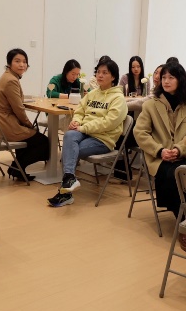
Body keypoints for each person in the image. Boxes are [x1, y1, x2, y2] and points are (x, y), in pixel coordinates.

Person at [134, 62, 186, 253]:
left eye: (171, 77)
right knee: (172, 175)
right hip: (160, 156)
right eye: (164, 77)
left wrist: (179, 150)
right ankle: (184, 224)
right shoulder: (150, 105)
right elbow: (140, 133)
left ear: (180, 80)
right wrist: (160, 151)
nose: (165, 81)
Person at [47, 59, 128, 207]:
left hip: (103, 139)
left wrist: (83, 128)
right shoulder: (92, 94)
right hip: (84, 132)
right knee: (69, 135)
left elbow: (108, 122)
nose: (100, 75)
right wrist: (76, 121)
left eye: (105, 73)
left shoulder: (118, 98)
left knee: (70, 149)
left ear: (113, 77)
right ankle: (69, 179)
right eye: (98, 72)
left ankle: (65, 194)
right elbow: (80, 111)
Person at [0, 48, 49, 180]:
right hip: (7, 126)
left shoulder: (8, 76)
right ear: (9, 63)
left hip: (1, 124)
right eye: (17, 61)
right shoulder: (11, 80)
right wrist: (29, 125)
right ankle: (16, 167)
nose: (22, 65)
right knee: (44, 143)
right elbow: (19, 109)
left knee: (31, 137)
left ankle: (19, 170)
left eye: (24, 62)